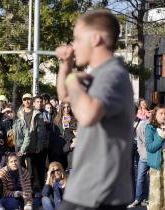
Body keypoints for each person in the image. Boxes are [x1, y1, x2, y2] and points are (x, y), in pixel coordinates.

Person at [56, 9, 134, 210]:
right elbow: (65, 96)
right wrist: (66, 66)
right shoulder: (99, 74)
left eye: (77, 39)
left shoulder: (111, 74)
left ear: (95, 39)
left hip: (100, 191)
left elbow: (89, 114)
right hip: (87, 188)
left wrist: (73, 79)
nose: (74, 45)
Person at [15, 94, 47, 194]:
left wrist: (39, 146)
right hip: (21, 147)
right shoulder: (19, 113)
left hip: (33, 146)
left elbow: (41, 133)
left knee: (34, 171)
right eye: (25, 99)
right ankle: (24, 191)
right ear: (22, 101)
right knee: (22, 171)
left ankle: (36, 191)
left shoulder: (37, 114)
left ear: (32, 101)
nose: (27, 101)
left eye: (29, 99)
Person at [145, 105, 165, 210]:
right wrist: (160, 137)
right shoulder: (150, 128)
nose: (163, 116)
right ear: (155, 115)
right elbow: (150, 147)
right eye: (161, 113)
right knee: (157, 196)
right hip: (157, 165)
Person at [128, 117, 150, 208]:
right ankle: (133, 196)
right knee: (131, 172)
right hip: (131, 146)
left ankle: (142, 197)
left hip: (140, 148)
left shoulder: (142, 122)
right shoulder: (126, 120)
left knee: (142, 174)